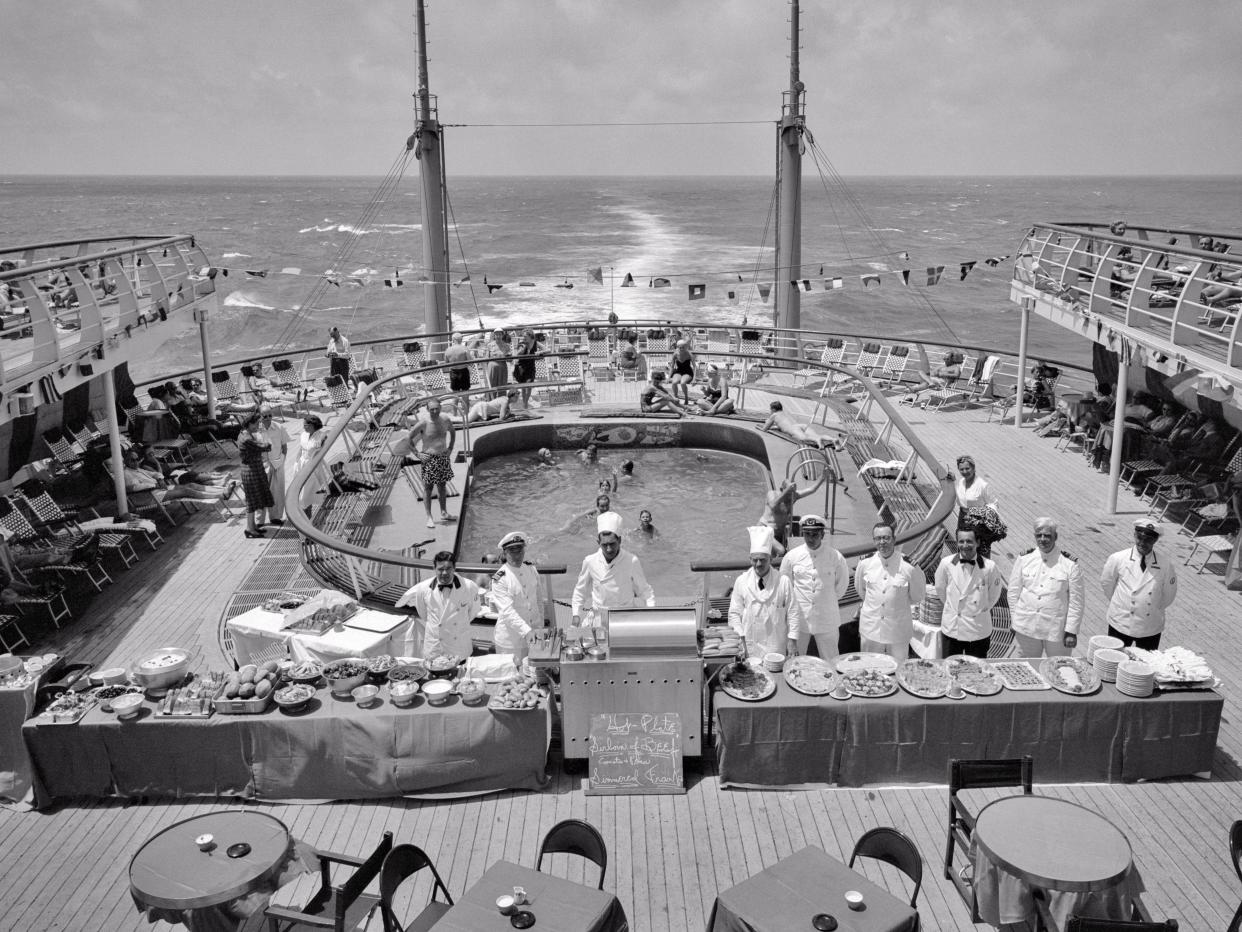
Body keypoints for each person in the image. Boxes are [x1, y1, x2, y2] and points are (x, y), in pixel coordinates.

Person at [1008, 517, 1084, 658]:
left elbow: (1076, 601)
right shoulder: (1025, 559)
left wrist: (1071, 631)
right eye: (1039, 535)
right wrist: (1015, 620)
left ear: (1055, 537)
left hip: (1055, 630)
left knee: (1059, 669)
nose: (1043, 539)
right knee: (1026, 669)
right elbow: (1013, 593)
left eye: (1047, 535)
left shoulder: (1069, 564)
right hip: (1026, 626)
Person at [1100, 518, 1179, 649]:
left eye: (1148, 540)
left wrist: (1151, 606)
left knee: (1145, 665)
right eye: (1139, 538)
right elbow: (1107, 584)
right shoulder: (1118, 558)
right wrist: (1122, 604)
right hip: (1121, 622)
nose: (1142, 543)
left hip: (1149, 626)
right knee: (1114, 661)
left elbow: (1168, 595)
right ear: (1134, 536)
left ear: (1155, 540)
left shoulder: (1165, 565)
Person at [779, 514, 849, 657]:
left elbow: (841, 586)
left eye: (815, 534)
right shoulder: (792, 557)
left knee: (831, 659)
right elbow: (786, 587)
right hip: (800, 619)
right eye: (807, 534)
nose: (811, 538)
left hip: (827, 618)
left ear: (822, 534)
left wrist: (825, 600)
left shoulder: (835, 557)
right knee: (795, 661)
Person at [853, 522, 927, 657]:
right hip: (871, 628)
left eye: (886, 538)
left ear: (894, 539)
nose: (882, 542)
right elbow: (861, 590)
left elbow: (917, 595)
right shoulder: (865, 564)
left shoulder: (909, 567)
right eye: (878, 538)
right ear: (874, 541)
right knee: (869, 667)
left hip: (897, 630)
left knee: (898, 668)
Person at [729, 525, 802, 659]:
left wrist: (792, 640)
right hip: (749, 646)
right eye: (754, 560)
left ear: (771, 559)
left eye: (762, 560)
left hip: (776, 646)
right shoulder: (741, 581)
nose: (758, 564)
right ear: (750, 559)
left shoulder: (783, 582)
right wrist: (740, 638)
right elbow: (734, 614)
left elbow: (793, 612)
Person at [571, 512, 655, 627]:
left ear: (620, 540)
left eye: (612, 544)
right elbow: (580, 592)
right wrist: (576, 615)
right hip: (599, 619)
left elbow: (645, 591)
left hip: (626, 618)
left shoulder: (631, 560)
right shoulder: (590, 561)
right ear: (598, 542)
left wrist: (652, 613)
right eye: (604, 545)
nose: (609, 549)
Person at [395, 551, 483, 659]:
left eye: (448, 569)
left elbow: (473, 611)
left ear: (454, 568)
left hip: (459, 646)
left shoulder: (469, 587)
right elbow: (423, 614)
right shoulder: (423, 589)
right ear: (434, 568)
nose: (444, 573)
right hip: (435, 647)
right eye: (440, 569)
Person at [934, 527, 1004, 658]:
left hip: (978, 629)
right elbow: (940, 589)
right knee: (950, 668)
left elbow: (994, 596)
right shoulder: (946, 563)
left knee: (977, 672)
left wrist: (978, 609)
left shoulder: (989, 567)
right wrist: (953, 607)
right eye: (961, 541)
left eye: (969, 541)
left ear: (977, 542)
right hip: (953, 628)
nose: (965, 546)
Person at [490, 531, 545, 660]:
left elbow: (538, 601)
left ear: (524, 550)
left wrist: (540, 626)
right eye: (512, 551)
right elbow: (507, 611)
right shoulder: (500, 579)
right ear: (504, 553)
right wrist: (527, 631)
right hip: (510, 642)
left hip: (534, 635)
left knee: (532, 674)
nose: (517, 555)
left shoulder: (531, 569)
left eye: (519, 550)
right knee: (512, 677)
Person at [407, 398, 456, 528]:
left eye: (437, 408)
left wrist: (450, 447)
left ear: (440, 408)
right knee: (428, 488)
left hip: (443, 457)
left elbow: (452, 432)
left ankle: (444, 512)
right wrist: (417, 454)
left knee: (442, 486)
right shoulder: (424, 422)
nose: (435, 411)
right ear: (428, 409)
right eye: (432, 409)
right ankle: (429, 516)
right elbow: (409, 437)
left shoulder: (445, 419)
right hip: (429, 458)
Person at [759, 471, 827, 556]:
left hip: (777, 533)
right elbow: (773, 505)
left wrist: (822, 477)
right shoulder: (772, 494)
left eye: (793, 492)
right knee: (780, 551)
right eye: (789, 493)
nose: (790, 496)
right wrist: (787, 491)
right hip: (765, 529)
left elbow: (811, 490)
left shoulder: (793, 496)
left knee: (776, 553)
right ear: (782, 490)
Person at [238, 412, 273, 538]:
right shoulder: (247, 438)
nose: (259, 425)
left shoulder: (246, 434)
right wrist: (266, 437)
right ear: (249, 424)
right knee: (251, 501)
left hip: (253, 469)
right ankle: (250, 529)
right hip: (251, 471)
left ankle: (251, 527)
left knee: (253, 501)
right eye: (256, 423)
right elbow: (265, 447)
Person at [760, 401, 843, 450]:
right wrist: (777, 427)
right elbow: (783, 424)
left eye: (770, 409)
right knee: (817, 435)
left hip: (793, 429)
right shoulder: (787, 412)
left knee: (804, 438)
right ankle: (833, 439)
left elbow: (764, 429)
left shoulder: (774, 415)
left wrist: (768, 421)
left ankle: (817, 439)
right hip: (801, 425)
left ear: (773, 409)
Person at [259, 407, 289, 524]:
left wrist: (281, 461)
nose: (268, 419)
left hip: (277, 464)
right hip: (261, 465)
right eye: (264, 416)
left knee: (277, 492)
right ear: (259, 416)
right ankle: (259, 521)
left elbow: (285, 448)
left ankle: (275, 517)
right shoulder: (256, 429)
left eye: (270, 415)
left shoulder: (279, 427)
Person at [953, 455, 997, 534]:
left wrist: (982, 516)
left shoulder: (983, 485)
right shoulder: (960, 482)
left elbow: (993, 503)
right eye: (961, 469)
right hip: (962, 516)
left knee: (976, 543)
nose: (965, 472)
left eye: (967, 468)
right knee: (961, 542)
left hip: (977, 519)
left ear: (973, 468)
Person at [293, 414, 326, 514]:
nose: (303, 427)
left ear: (311, 425)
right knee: (304, 493)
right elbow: (301, 449)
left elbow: (323, 449)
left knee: (308, 494)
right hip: (301, 465)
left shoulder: (321, 436)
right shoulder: (303, 435)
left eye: (305, 425)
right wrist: (296, 462)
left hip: (313, 466)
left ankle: (309, 516)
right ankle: (307, 516)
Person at [443, 332, 474, 414]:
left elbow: (446, 363)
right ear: (461, 340)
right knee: (465, 395)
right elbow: (470, 362)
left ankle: (455, 414)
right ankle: (466, 415)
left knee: (455, 396)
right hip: (463, 372)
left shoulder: (448, 350)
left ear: (453, 340)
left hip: (453, 372)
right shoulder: (464, 349)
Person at [511, 329, 541, 409]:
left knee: (529, 386)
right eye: (523, 336)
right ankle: (525, 404)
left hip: (530, 368)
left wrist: (540, 352)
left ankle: (525, 403)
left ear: (530, 336)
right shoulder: (522, 343)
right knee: (524, 388)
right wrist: (522, 349)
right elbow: (517, 355)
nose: (523, 338)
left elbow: (547, 350)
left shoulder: (535, 342)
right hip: (521, 368)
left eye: (525, 336)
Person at [485, 328, 512, 400]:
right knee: (491, 386)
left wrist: (507, 356)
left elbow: (510, 360)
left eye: (500, 334)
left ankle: (501, 405)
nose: (498, 336)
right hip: (492, 367)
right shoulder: (489, 345)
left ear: (502, 335)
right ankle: (490, 404)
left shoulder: (506, 346)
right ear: (494, 335)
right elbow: (486, 358)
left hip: (502, 367)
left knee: (502, 387)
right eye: (496, 334)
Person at [668, 339, 696, 403]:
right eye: (680, 347)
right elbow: (672, 367)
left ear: (686, 347)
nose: (681, 349)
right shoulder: (675, 354)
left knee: (683, 383)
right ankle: (676, 397)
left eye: (683, 347)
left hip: (688, 371)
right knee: (674, 382)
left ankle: (686, 397)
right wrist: (669, 377)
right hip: (679, 371)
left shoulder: (689, 354)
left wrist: (694, 378)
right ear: (678, 347)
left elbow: (694, 367)